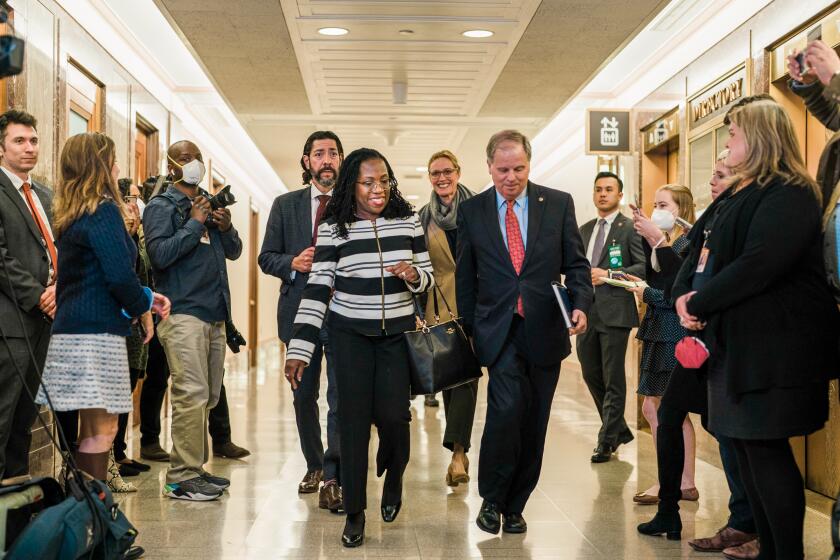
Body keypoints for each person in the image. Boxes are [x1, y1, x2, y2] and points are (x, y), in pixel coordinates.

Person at [673, 95, 839, 559]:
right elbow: (704, 251)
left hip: (775, 350)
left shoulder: (791, 192)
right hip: (737, 346)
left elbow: (758, 264)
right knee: (746, 455)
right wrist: (685, 297)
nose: (728, 142)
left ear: (759, 137)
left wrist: (702, 300)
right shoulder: (743, 191)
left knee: (766, 454)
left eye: (734, 133)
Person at [284, 148, 434, 548]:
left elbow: (430, 277)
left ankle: (396, 475)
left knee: (395, 421)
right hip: (349, 336)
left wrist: (414, 275)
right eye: (368, 182)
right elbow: (317, 289)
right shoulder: (335, 227)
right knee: (351, 425)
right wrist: (299, 348)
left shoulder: (407, 221)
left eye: (383, 180)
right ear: (352, 185)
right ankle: (354, 512)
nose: (378, 189)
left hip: (396, 337)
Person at [456, 130, 592, 535]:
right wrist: (468, 330)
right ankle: (491, 499)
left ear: (529, 165)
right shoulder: (474, 211)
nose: (510, 177)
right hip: (499, 331)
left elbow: (577, 264)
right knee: (505, 411)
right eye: (502, 170)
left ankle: (516, 505)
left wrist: (582, 304)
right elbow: (466, 276)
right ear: (489, 168)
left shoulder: (557, 204)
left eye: (518, 168)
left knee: (535, 419)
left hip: (546, 328)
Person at [637, 152, 760, 558]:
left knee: (725, 431)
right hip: (695, 335)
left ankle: (748, 523)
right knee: (670, 415)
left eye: (721, 175)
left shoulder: (744, 217)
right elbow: (681, 279)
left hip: (721, 339)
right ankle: (670, 511)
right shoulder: (712, 220)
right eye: (712, 173)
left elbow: (700, 276)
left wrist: (659, 243)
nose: (712, 181)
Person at [35, 132, 170, 483]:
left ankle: (88, 518)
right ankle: (91, 521)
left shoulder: (72, 212)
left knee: (91, 430)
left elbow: (94, 275)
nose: (118, 167)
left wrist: (145, 297)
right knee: (102, 430)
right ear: (98, 165)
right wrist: (143, 302)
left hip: (72, 331)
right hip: (96, 335)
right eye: (112, 160)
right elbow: (118, 277)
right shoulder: (104, 211)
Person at [143, 140, 242, 501]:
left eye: (196, 157)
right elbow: (159, 256)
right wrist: (193, 224)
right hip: (182, 311)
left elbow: (233, 251)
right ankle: (180, 477)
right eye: (185, 159)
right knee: (191, 394)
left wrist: (226, 226)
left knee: (209, 395)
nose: (193, 164)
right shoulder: (161, 206)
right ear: (171, 166)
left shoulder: (207, 202)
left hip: (215, 313)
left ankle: (195, 469)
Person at [259, 130, 344, 511]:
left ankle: (334, 471)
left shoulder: (353, 205)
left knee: (339, 396)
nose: (327, 160)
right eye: (319, 154)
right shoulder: (284, 204)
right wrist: (292, 263)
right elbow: (266, 256)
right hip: (298, 313)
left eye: (333, 153)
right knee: (303, 394)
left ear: (341, 161)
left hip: (343, 313)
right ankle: (313, 463)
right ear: (307, 161)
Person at [626, 185, 697, 505]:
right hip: (657, 329)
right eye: (653, 205)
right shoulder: (663, 244)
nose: (657, 210)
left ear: (680, 211)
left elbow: (673, 292)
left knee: (669, 409)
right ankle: (677, 479)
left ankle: (681, 482)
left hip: (672, 331)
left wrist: (645, 293)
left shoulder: (686, 244)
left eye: (663, 205)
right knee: (652, 405)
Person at [0, 109, 56, 481]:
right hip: (10, 323)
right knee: (2, 418)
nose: (29, 148)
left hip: (44, 322)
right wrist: (38, 294)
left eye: (33, 140)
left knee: (24, 421)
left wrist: (59, 287)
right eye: (19, 140)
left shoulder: (43, 194)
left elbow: (56, 248)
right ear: (1, 147)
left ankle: (15, 514)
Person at [417, 149, 477, 487]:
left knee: (467, 378)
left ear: (458, 171)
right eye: (435, 173)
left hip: (474, 307)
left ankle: (457, 454)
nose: (442, 178)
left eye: (447, 171)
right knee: (450, 380)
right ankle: (459, 450)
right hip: (438, 309)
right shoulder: (424, 217)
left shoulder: (477, 211)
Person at [577, 171, 646, 463]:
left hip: (616, 312)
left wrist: (610, 275)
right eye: (598, 189)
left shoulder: (629, 228)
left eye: (609, 189)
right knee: (590, 372)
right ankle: (618, 428)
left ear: (619, 195)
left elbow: (642, 268)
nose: (603, 194)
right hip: (586, 313)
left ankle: (606, 440)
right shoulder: (584, 229)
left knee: (613, 376)